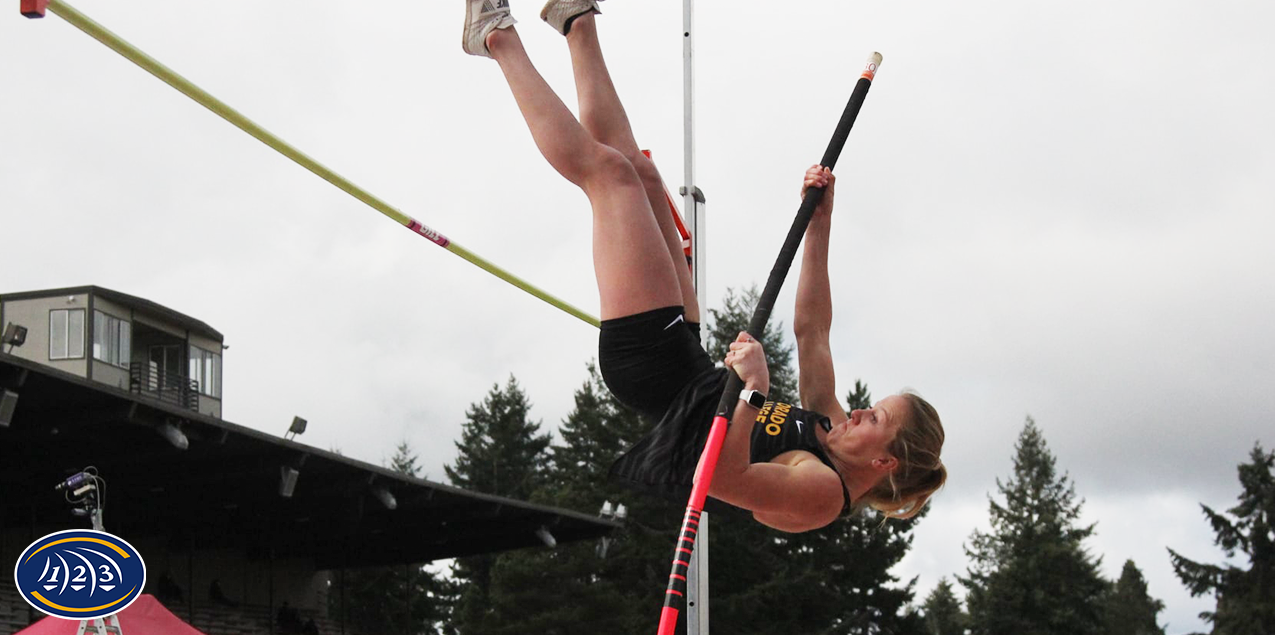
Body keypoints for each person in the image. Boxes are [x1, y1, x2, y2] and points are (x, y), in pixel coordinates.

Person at [462, 0, 946, 532]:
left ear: (884, 463)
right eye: (869, 406)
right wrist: (820, 223)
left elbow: (717, 479)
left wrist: (754, 391)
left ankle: (494, 38)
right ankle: (574, 22)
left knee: (610, 177)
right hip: (687, 357)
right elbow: (812, 331)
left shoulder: (822, 494)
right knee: (642, 176)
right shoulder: (829, 425)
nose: (857, 411)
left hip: (650, 368)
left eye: (874, 418)